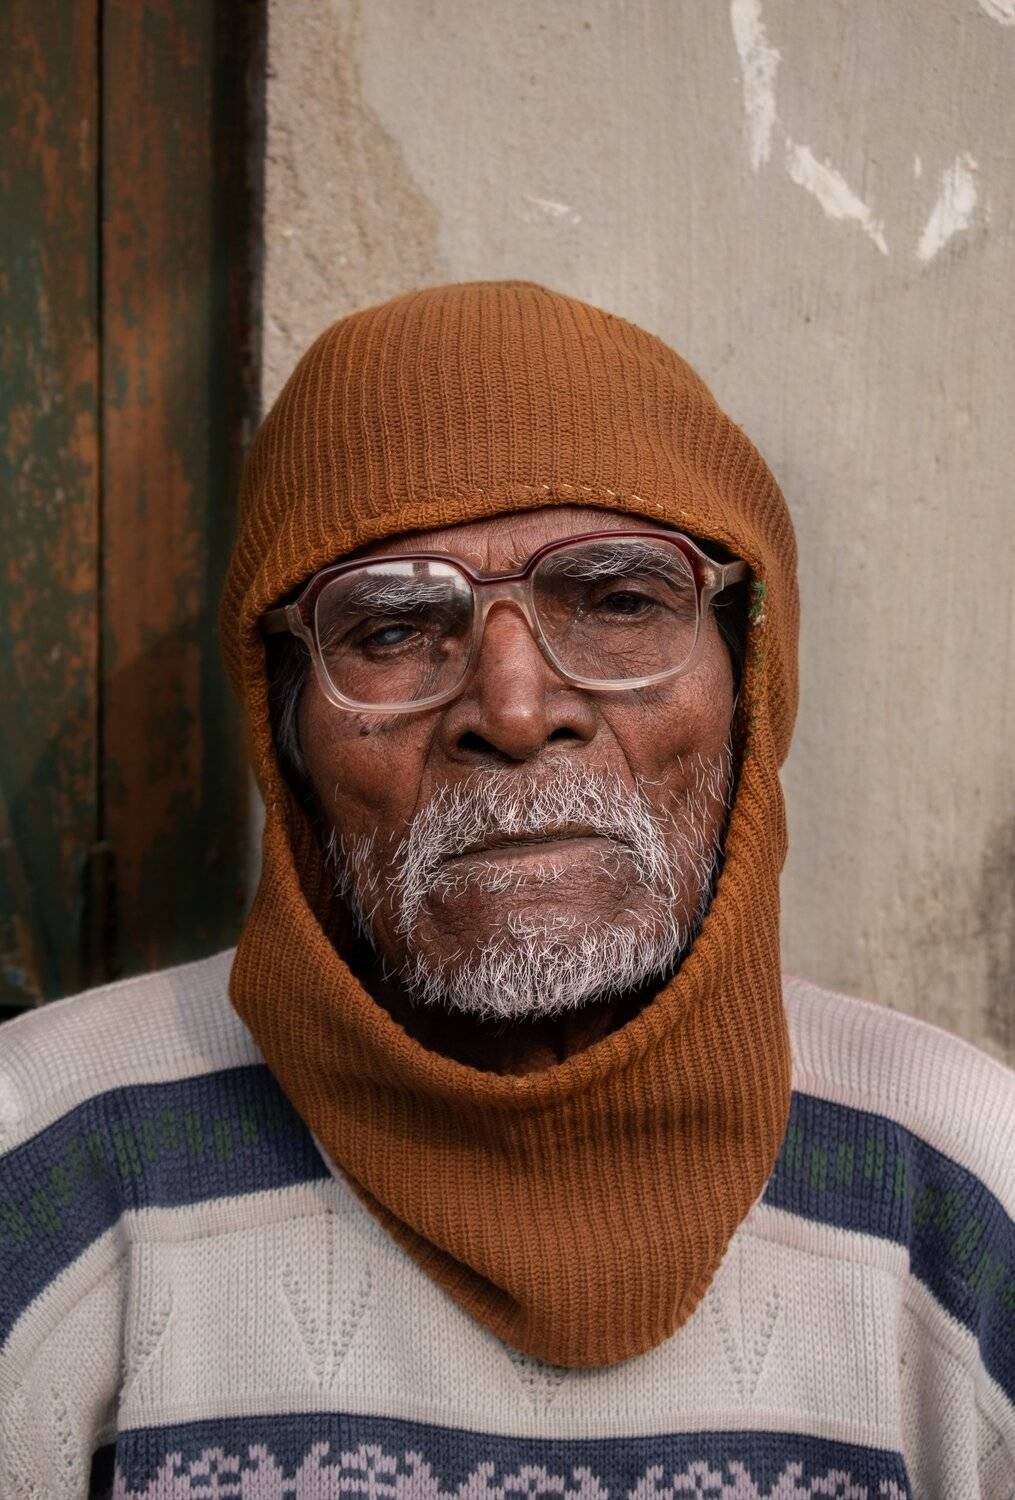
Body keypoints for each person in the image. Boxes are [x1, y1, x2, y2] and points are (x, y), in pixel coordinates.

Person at [0, 282, 1011, 1499]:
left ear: (751, 682)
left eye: (622, 602)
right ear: (284, 730)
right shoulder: (44, 1163)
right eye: (390, 629)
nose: (517, 711)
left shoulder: (964, 1186)